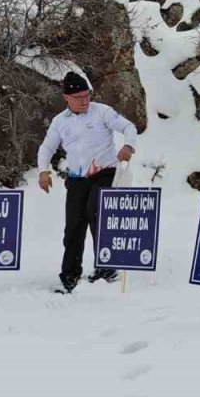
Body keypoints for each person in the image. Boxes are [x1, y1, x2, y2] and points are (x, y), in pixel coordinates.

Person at [37, 72, 138, 293]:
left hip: (105, 173)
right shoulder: (59, 122)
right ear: (67, 98)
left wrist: (128, 146)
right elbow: (47, 147)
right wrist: (43, 171)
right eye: (79, 97)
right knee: (73, 227)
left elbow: (129, 127)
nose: (84, 100)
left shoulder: (102, 112)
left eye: (87, 95)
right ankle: (70, 275)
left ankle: (106, 267)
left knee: (96, 212)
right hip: (76, 179)